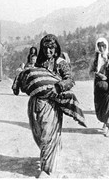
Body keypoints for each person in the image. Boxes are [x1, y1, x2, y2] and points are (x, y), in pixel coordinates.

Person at [28, 34, 75, 178]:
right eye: (45, 48)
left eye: (51, 48)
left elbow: (70, 80)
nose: (48, 51)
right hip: (37, 103)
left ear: (55, 49)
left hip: (51, 104)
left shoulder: (60, 62)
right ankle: (51, 151)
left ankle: (46, 169)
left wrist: (58, 87)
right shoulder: (39, 63)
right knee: (39, 133)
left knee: (47, 134)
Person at [89, 37, 109, 137]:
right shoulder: (95, 59)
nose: (101, 48)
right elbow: (90, 72)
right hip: (99, 86)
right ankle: (104, 122)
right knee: (101, 106)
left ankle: (108, 126)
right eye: (99, 46)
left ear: (106, 46)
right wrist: (97, 74)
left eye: (103, 46)